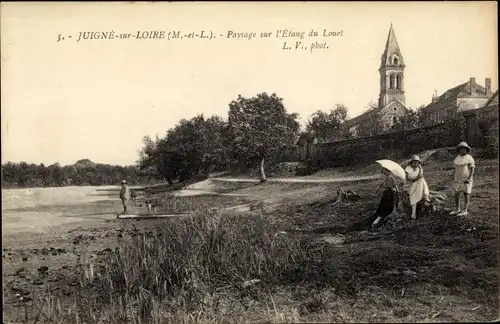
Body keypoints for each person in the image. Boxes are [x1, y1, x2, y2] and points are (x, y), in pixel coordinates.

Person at [450, 142, 475, 216]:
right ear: (459, 150)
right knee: (456, 194)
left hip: (466, 178)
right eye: (460, 149)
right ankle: (457, 209)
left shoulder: (469, 158)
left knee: (466, 193)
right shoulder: (457, 158)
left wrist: (469, 178)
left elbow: (472, 168)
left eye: (464, 149)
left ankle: (465, 210)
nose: (462, 150)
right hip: (457, 178)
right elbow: (455, 168)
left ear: (466, 150)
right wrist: (453, 175)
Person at [404, 155, 430, 220]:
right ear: (411, 162)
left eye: (417, 162)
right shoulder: (408, 168)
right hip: (410, 184)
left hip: (418, 184)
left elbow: (420, 176)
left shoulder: (419, 169)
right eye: (414, 162)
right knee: (414, 196)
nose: (415, 163)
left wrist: (420, 168)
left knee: (422, 180)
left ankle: (425, 196)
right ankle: (413, 214)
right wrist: (415, 179)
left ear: (419, 163)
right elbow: (407, 178)